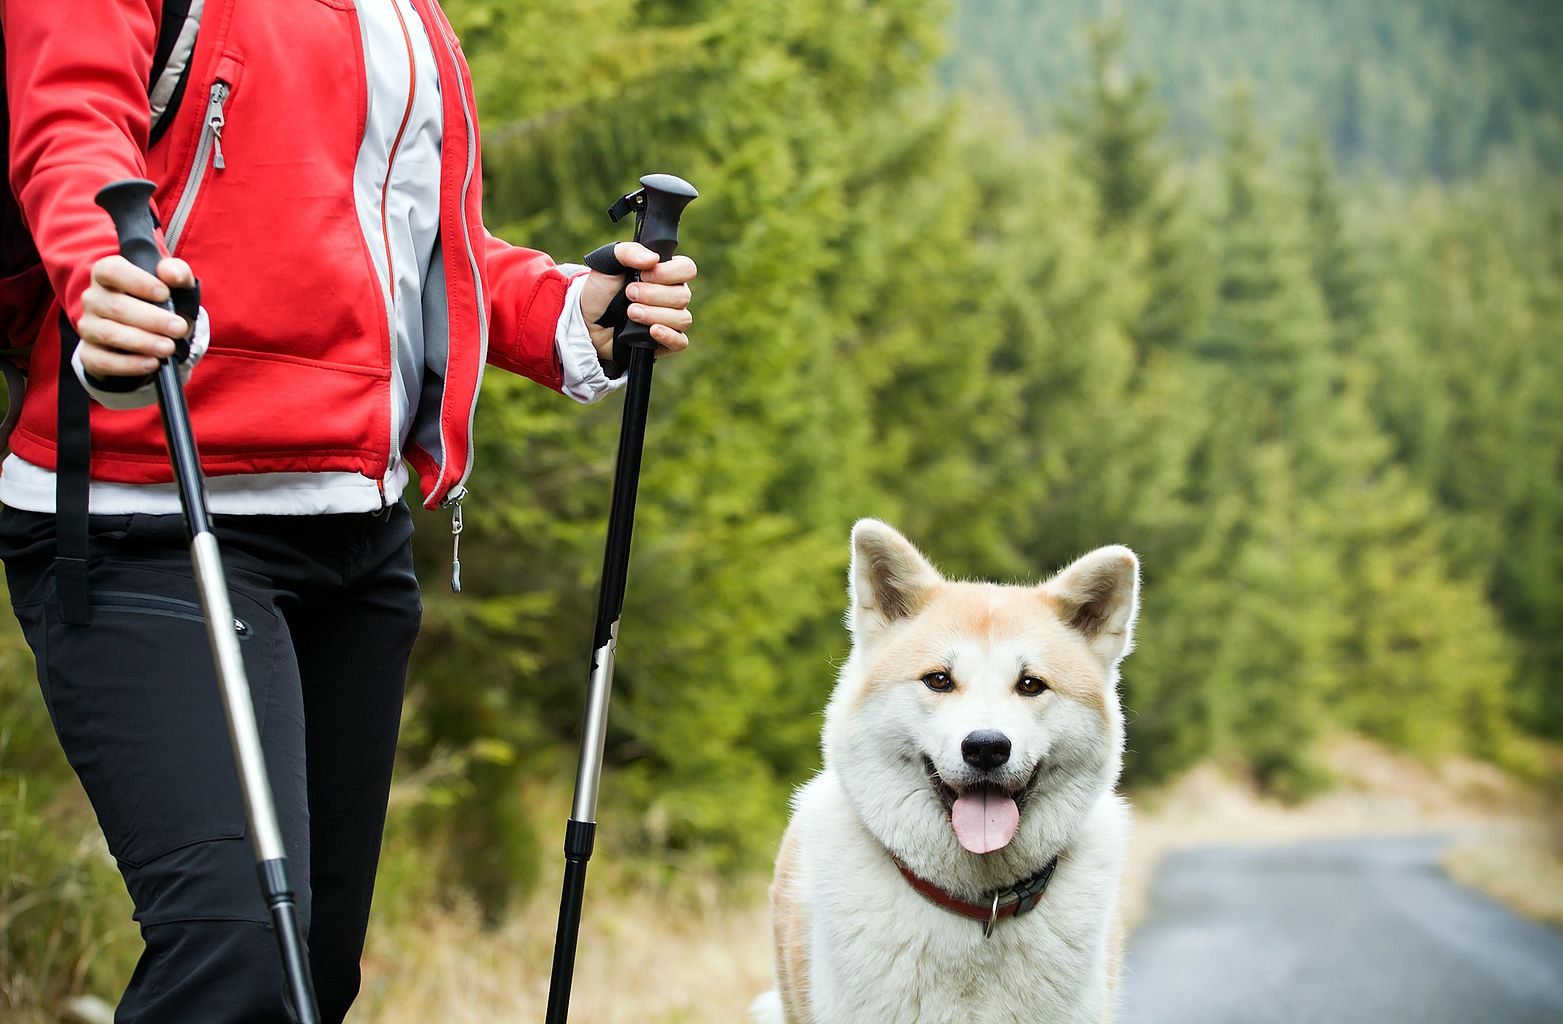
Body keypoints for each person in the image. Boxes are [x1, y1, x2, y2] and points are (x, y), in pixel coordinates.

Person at [0, 1, 697, 1020]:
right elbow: (72, 126)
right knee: (239, 954)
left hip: (356, 543)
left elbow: (413, 248)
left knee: (312, 975)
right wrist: (102, 269)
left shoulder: (403, 12)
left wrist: (564, 308)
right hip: (150, 511)